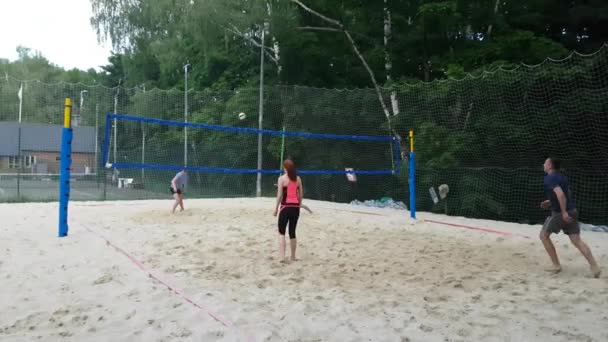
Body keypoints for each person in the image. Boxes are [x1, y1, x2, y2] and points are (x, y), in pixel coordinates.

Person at [539, 157, 601, 278]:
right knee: (576, 240)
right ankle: (595, 267)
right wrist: (550, 201)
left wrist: (563, 212)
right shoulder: (561, 177)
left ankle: (556, 265)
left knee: (543, 236)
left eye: (545, 163)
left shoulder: (549, 178)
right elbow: (567, 194)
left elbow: (561, 195)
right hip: (573, 211)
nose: (543, 164)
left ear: (550, 165)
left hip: (561, 214)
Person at [273, 159, 304, 262]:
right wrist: (299, 205)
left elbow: (280, 195)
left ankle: (282, 257)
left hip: (285, 207)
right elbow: (300, 195)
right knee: (292, 232)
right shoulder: (298, 179)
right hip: (295, 208)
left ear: (285, 168)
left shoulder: (281, 179)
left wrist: (276, 208)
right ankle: (293, 256)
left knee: (281, 232)